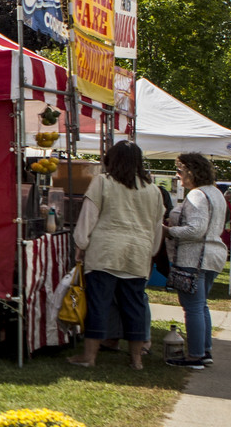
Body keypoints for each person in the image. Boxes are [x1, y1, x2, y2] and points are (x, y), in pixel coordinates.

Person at [69, 140, 165, 370]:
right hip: (138, 253)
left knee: (99, 305)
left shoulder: (102, 183)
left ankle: (89, 357)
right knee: (135, 307)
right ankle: (136, 360)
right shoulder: (153, 190)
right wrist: (151, 251)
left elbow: (89, 216)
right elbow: (157, 226)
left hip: (105, 252)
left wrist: (80, 244)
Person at [163, 152, 229, 369]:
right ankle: (204, 350)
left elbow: (196, 229)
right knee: (201, 307)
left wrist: (170, 231)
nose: (178, 175)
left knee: (192, 308)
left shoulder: (197, 195)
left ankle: (195, 355)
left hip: (195, 257)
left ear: (191, 172)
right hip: (211, 256)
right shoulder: (216, 193)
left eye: (180, 171)